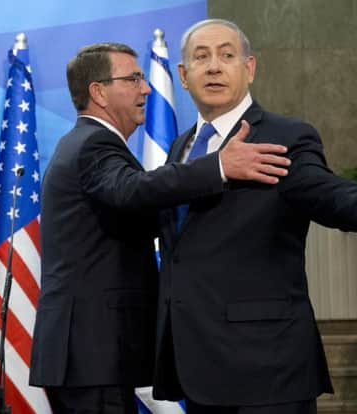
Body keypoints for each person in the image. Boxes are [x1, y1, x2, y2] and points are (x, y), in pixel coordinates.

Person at [151, 19, 357, 414]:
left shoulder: (285, 136)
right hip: (197, 364)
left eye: (227, 55)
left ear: (249, 68)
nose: (214, 66)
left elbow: (324, 192)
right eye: (201, 58)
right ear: (183, 76)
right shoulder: (181, 146)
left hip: (266, 367)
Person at [29, 42, 291, 413]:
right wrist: (217, 166)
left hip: (91, 354)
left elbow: (139, 212)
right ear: (98, 92)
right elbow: (132, 190)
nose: (147, 88)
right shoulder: (94, 145)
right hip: (93, 351)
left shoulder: (87, 144)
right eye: (133, 78)